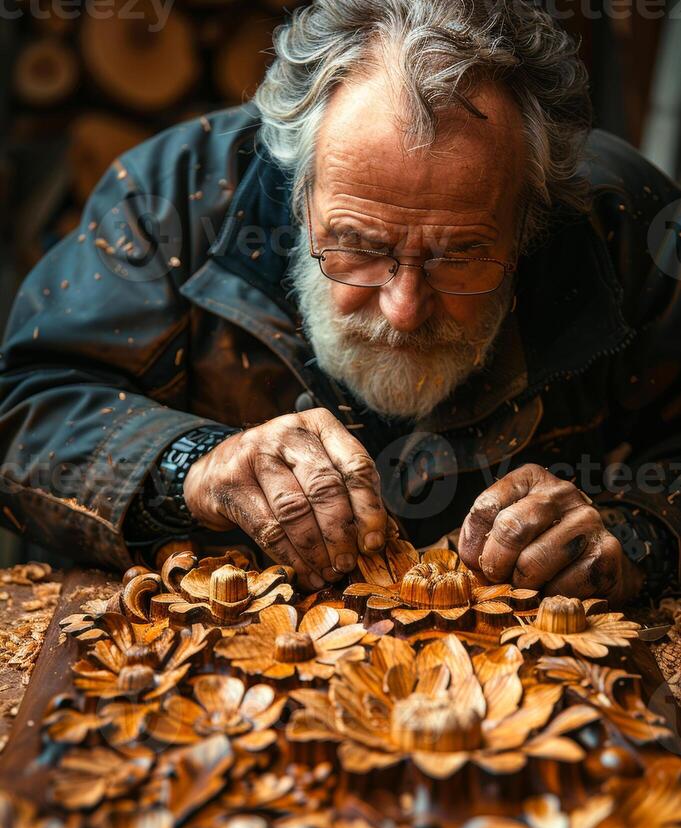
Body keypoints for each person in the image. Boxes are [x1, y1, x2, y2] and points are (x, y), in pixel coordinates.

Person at [1, 0, 679, 602]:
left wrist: (634, 535)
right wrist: (191, 467)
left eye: (460, 254)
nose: (403, 308)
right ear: (296, 190)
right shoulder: (170, 199)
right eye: (358, 244)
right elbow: (27, 411)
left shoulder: (621, 224)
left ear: (531, 219)